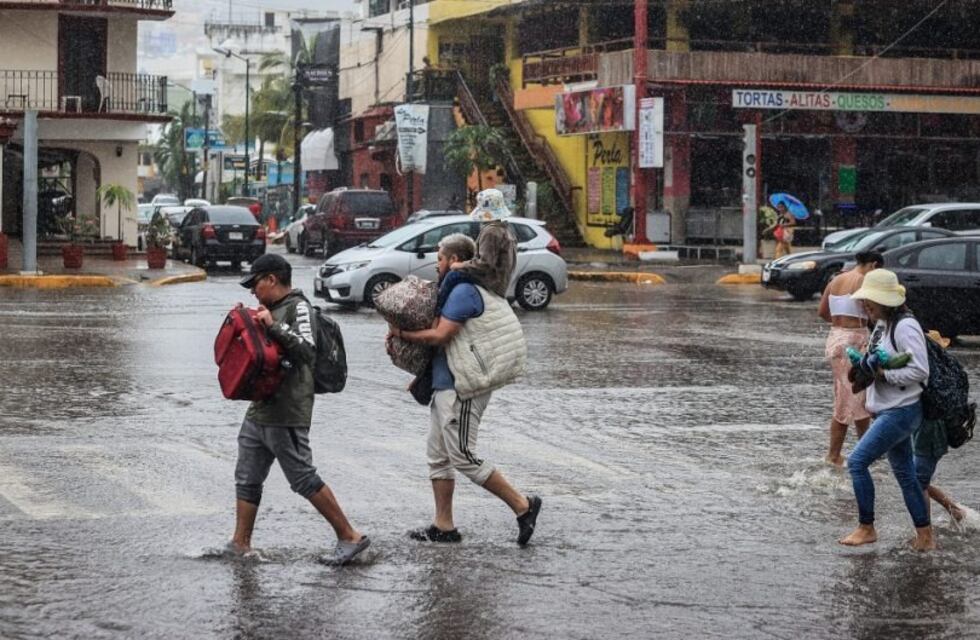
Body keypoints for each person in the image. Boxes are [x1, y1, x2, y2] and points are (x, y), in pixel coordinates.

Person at [393, 233, 541, 546]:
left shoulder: (463, 290)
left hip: (462, 388)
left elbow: (440, 336)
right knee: (438, 456)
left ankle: (523, 506)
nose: (437, 266)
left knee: (461, 455)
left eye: (440, 259)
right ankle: (443, 526)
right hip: (445, 385)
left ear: (454, 260)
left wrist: (403, 333)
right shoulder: (456, 288)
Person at [231, 254, 370, 565]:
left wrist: (273, 325)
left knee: (303, 478)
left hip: (288, 411)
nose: (253, 291)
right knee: (247, 477)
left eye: (255, 284)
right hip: (261, 408)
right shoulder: (272, 309)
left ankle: (349, 536)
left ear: (271, 279)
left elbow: (307, 349)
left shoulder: (299, 308)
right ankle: (240, 542)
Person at [839, 269, 934, 551]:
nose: (865, 306)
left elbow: (920, 370)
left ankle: (866, 527)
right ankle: (925, 537)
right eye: (865, 301)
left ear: (886, 301)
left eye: (870, 301)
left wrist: (884, 375)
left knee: (856, 462)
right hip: (888, 409)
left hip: (902, 411)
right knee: (906, 475)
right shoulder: (882, 324)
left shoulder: (906, 326)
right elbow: (875, 360)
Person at [817, 250, 884, 466]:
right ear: (873, 265)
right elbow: (873, 312)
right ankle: (835, 455)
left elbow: (823, 312)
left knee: (854, 398)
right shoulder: (863, 281)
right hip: (854, 341)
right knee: (851, 399)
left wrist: (840, 320)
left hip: (836, 337)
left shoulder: (836, 279)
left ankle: (864, 450)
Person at [435, 188, 517, 314]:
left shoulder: (491, 232)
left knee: (452, 275)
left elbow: (484, 264)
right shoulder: (505, 230)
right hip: (500, 281)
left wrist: (460, 265)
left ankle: (436, 310)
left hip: (491, 281)